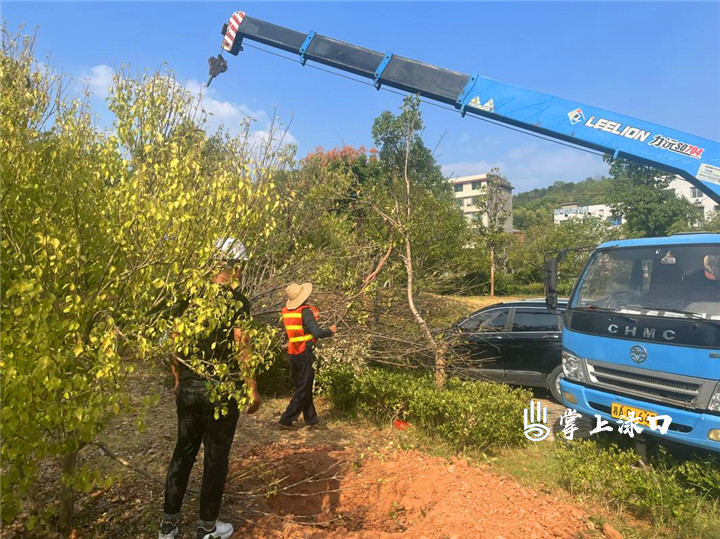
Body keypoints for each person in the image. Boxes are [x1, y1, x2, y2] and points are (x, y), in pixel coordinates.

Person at [159, 239, 260, 539]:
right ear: (234, 267)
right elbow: (243, 345)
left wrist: (178, 378)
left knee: (183, 452)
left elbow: (174, 340)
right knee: (215, 457)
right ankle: (208, 528)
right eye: (240, 267)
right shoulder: (237, 301)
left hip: (189, 389)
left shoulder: (189, 296)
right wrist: (251, 387)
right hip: (221, 391)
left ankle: (168, 526)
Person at [278, 282, 336, 429]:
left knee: (304, 385)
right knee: (303, 387)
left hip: (293, 352)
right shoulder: (305, 311)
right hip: (304, 353)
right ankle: (286, 418)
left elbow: (291, 332)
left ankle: (311, 420)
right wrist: (330, 330)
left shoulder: (286, 311)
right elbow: (317, 333)